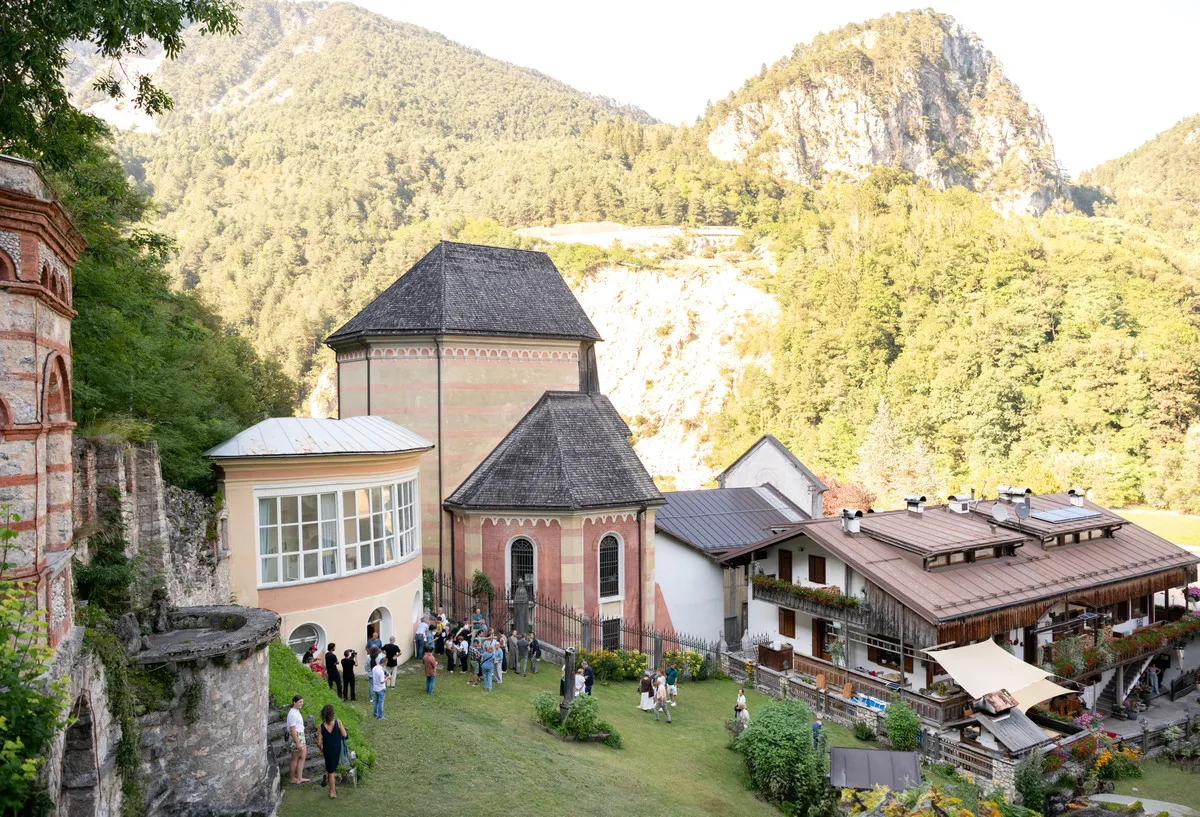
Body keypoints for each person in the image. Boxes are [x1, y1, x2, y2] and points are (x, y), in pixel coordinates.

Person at [316, 703, 347, 799]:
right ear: (332, 713)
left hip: (328, 750)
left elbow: (318, 743)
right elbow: (344, 735)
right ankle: (332, 792)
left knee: (331, 770)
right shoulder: (338, 722)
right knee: (332, 770)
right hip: (337, 749)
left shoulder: (321, 727)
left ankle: (332, 791)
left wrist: (321, 749)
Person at [287, 694, 309, 784]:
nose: (301, 704)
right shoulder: (292, 714)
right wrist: (298, 743)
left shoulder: (296, 711)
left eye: (302, 702)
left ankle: (299, 778)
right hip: (297, 736)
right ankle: (292, 778)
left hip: (300, 735)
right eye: (299, 702)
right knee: (295, 757)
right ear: (294, 702)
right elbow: (292, 730)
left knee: (303, 755)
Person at [371, 655, 387, 719]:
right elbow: (382, 681)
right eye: (385, 663)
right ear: (383, 663)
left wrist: (384, 677)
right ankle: (380, 716)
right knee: (381, 703)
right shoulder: (381, 671)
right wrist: (387, 678)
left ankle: (375, 714)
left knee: (376, 701)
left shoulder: (374, 668)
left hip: (375, 688)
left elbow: (377, 677)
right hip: (381, 689)